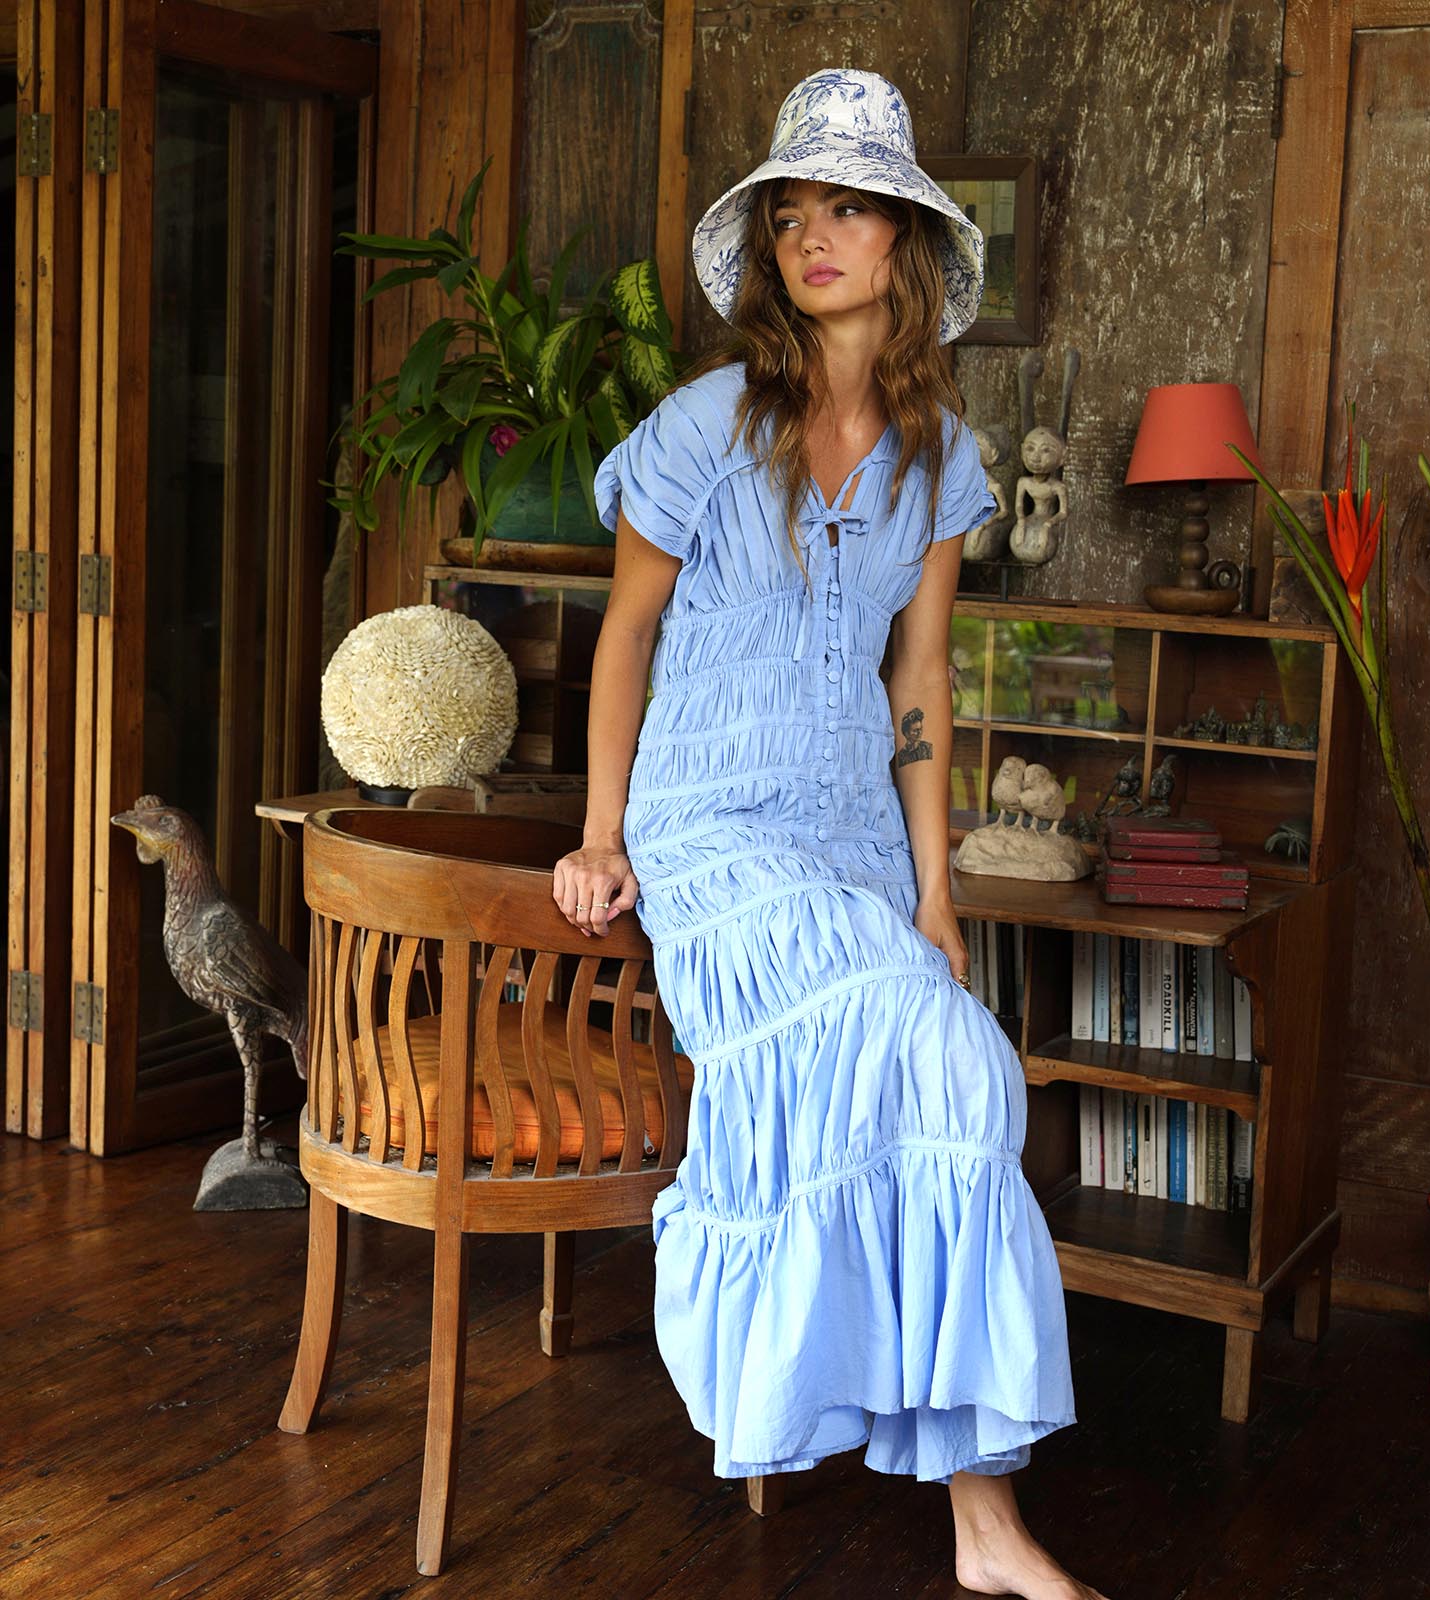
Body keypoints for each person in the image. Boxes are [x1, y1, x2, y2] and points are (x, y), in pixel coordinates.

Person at [551, 68, 1106, 1600]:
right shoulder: (705, 425)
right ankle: (866, 1451)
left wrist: (935, 896)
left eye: (846, 207)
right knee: (905, 1058)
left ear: (905, 249)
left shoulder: (943, 459)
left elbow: (920, 682)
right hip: (715, 827)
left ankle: (984, 1528)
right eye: (793, 212)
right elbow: (625, 640)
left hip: (855, 836)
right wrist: (607, 834)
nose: (814, 235)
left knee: (962, 1072)